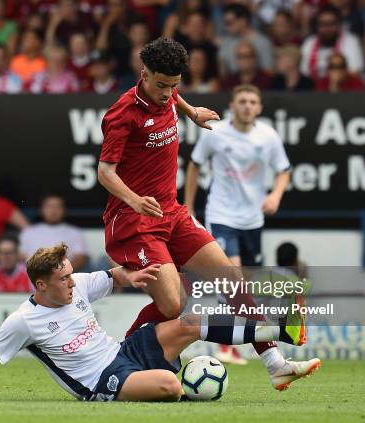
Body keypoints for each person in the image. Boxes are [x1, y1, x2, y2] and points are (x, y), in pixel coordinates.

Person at [97, 38, 318, 390]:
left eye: (175, 85)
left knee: (232, 281)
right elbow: (105, 172)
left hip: (172, 213)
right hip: (135, 222)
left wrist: (191, 111)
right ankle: (123, 353)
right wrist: (135, 199)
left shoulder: (168, 95)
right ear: (144, 75)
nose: (168, 93)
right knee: (174, 305)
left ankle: (276, 365)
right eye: (161, 85)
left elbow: (172, 97)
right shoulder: (123, 114)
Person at [0, 243, 317, 402]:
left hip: (124, 352)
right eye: (63, 278)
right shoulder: (22, 321)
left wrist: (130, 276)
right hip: (102, 382)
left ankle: (282, 332)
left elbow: (111, 275)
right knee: (172, 386)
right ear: (42, 284)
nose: (71, 282)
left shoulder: (76, 284)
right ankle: (187, 385)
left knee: (189, 322)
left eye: (70, 274)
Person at [184, 84, 291, 364]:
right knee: (232, 276)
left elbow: (284, 170)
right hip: (221, 215)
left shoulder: (267, 136)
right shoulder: (215, 133)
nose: (247, 106)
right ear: (232, 105)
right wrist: (189, 207)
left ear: (259, 107)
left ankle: (237, 337)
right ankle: (225, 345)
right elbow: (194, 165)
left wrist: (276, 195)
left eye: (252, 101)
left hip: (252, 219)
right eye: (242, 100)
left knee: (245, 281)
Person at [19, 194, 89, 272]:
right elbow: (21, 258)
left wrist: (60, 273)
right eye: (49, 206)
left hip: (65, 278)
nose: (53, 210)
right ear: (41, 209)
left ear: (64, 210)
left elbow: (81, 258)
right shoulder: (28, 232)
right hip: (33, 278)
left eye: (57, 206)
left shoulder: (75, 232)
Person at [300, 5, 365, 79]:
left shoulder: (351, 41)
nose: (327, 28)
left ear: (339, 25)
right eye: (323, 24)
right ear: (317, 26)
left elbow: (355, 71)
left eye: (332, 23)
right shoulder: (309, 42)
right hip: (315, 88)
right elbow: (304, 72)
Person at [217, 4, 274, 75]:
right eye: (225, 23)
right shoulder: (226, 43)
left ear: (243, 21)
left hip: (258, 84)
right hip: (231, 84)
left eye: (229, 23)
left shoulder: (263, 43)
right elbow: (222, 71)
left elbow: (268, 72)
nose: (226, 27)